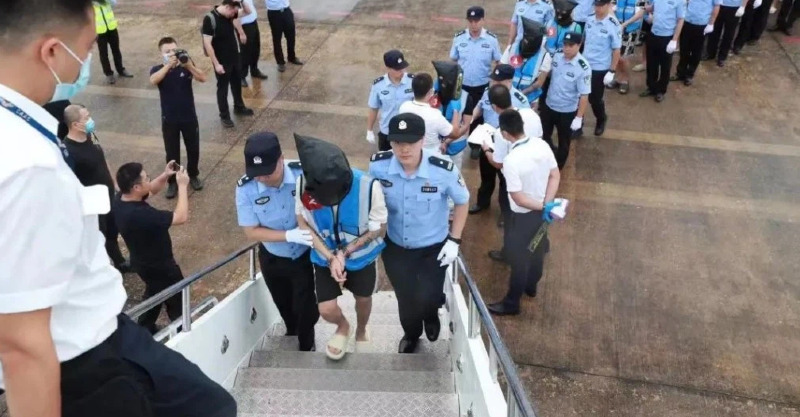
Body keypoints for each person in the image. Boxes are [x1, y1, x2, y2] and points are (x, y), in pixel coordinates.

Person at [0, 2, 235, 415]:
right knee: (212, 408)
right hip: (87, 357)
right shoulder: (27, 164)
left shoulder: (19, 127)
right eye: (87, 46)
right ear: (51, 51)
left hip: (91, 337)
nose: (88, 60)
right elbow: (21, 344)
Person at [369, 113, 470, 354]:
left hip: (432, 248)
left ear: (423, 140)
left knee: (429, 296)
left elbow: (462, 201)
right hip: (396, 246)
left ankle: (431, 315)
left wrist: (454, 240)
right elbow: (370, 198)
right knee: (405, 298)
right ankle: (411, 334)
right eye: (397, 142)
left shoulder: (443, 169)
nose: (404, 149)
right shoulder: (379, 166)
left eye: (411, 142)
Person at [293, 134, 388, 360]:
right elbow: (303, 223)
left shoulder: (369, 186)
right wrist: (330, 257)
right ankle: (343, 326)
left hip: (362, 258)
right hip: (323, 255)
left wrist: (344, 253)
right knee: (326, 309)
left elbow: (379, 229)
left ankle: (362, 330)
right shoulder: (302, 184)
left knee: (363, 299)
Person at [235, 132, 319, 352]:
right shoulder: (246, 188)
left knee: (305, 307)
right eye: (257, 174)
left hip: (303, 255)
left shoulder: (303, 173)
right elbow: (251, 231)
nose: (262, 178)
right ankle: (292, 331)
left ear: (281, 159)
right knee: (283, 304)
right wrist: (288, 235)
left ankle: (306, 344)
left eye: (267, 172)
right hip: (273, 256)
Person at [487, 110, 561, 316]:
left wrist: (542, 207)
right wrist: (547, 205)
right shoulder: (541, 144)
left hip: (522, 216)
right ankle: (531, 286)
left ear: (504, 134)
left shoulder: (511, 160)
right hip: (543, 213)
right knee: (537, 249)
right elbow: (555, 175)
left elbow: (518, 198)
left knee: (519, 260)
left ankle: (512, 303)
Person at [115, 162, 189, 335]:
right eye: (146, 178)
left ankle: (144, 329)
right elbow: (181, 217)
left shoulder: (120, 200)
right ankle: (184, 332)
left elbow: (150, 190)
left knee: (154, 294)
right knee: (178, 302)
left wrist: (165, 175)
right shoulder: (142, 215)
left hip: (142, 263)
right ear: (136, 187)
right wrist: (182, 186)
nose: (149, 179)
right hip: (162, 267)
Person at [62, 103, 130, 274]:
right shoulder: (67, 151)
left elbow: (102, 160)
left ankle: (119, 262)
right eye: (86, 118)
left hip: (108, 194)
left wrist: (114, 184)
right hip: (93, 203)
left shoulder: (89, 136)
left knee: (113, 230)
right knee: (100, 236)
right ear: (75, 124)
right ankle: (105, 269)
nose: (91, 120)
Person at [480, 85, 543, 263]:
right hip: (537, 173)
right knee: (536, 210)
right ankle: (542, 243)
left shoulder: (501, 131)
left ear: (494, 107)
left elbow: (498, 163)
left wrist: (487, 150)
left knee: (510, 217)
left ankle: (509, 252)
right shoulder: (531, 114)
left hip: (514, 179)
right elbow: (539, 136)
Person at [468, 64, 530, 216]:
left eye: (498, 81)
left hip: (507, 144)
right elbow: (480, 106)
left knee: (505, 181)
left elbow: (525, 124)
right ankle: (482, 203)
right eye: (493, 80)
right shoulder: (488, 92)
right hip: (487, 140)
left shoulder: (520, 100)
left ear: (509, 81)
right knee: (486, 176)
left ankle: (505, 212)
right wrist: (471, 118)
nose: (494, 84)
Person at [150, 36, 207, 198]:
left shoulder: (185, 65)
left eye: (174, 50)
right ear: (161, 54)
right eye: (167, 51)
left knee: (193, 148)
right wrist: (168, 65)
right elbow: (153, 80)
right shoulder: (157, 69)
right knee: (171, 152)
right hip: (169, 119)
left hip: (189, 117)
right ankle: (173, 181)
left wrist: (188, 65)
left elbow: (202, 78)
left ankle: (193, 174)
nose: (171, 54)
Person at [451, 6, 502, 159]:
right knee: (460, 113)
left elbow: (498, 62)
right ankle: (457, 140)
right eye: (471, 21)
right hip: (462, 85)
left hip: (482, 85)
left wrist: (496, 83)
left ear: (482, 20)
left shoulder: (491, 40)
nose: (473, 24)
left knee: (479, 115)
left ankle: (475, 144)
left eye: (476, 21)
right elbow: (453, 60)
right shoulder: (459, 38)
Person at [537, 32, 591, 169]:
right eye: (565, 45)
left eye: (570, 45)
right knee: (543, 135)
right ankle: (547, 158)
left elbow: (584, 95)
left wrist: (578, 117)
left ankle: (558, 166)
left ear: (579, 45)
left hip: (567, 111)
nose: (566, 48)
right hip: (549, 105)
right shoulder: (557, 56)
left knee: (564, 142)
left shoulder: (583, 67)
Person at [202, 0, 255, 128]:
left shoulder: (230, 13)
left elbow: (248, 11)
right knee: (223, 88)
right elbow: (207, 44)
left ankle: (239, 107)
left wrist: (241, 1)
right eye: (233, 12)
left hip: (234, 57)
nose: (234, 15)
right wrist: (216, 64)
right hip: (222, 60)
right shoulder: (210, 19)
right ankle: (224, 115)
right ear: (227, 7)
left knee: (236, 84)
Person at [581, 0, 622, 136]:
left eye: (601, 6)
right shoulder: (589, 19)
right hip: (585, 65)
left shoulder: (613, 24)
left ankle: (601, 118)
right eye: (596, 5)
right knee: (579, 96)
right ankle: (579, 123)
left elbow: (616, 50)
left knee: (594, 98)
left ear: (608, 5)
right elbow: (583, 39)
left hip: (600, 67)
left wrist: (612, 71)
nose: (598, 8)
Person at [398, 73, 465, 154]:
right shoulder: (435, 115)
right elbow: (455, 133)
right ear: (430, 91)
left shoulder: (404, 107)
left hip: (411, 152)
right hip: (431, 155)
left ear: (412, 89)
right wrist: (456, 111)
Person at [366, 49, 415, 151]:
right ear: (388, 68)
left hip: (408, 131)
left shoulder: (412, 81)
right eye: (397, 69)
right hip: (387, 131)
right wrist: (369, 130)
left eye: (402, 68)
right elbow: (374, 108)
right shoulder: (378, 85)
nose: (401, 71)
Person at [639, 0, 685, 101]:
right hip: (653, 33)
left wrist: (674, 40)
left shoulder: (679, 1)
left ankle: (661, 90)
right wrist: (645, 8)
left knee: (665, 66)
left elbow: (680, 20)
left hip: (667, 37)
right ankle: (651, 87)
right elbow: (653, 7)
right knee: (651, 64)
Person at [674, 0, 720, 85]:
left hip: (701, 24)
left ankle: (689, 75)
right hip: (687, 21)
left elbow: (716, 6)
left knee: (696, 51)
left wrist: (711, 23)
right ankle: (681, 72)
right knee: (684, 49)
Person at [605, 0, 645, 94]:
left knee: (624, 57)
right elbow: (610, 7)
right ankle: (619, 78)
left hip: (631, 30)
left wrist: (624, 24)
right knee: (616, 55)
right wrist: (617, 24)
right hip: (617, 28)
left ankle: (625, 80)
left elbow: (641, 12)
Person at [94, 0, 133, 84]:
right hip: (99, 32)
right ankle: (108, 74)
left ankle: (121, 70)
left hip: (112, 28)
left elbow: (114, 3)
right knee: (103, 54)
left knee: (116, 50)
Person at [705, 0, 745, 67]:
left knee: (729, 34)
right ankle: (710, 53)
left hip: (734, 7)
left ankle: (722, 57)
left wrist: (743, 6)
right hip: (719, 5)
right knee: (714, 31)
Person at [267, 0, 304, 72]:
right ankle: (280, 62)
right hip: (274, 12)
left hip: (286, 10)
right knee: (277, 38)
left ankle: (291, 57)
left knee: (291, 35)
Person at [239, 0, 269, 86]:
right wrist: (241, 32)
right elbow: (234, 17)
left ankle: (254, 70)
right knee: (245, 51)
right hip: (244, 25)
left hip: (253, 21)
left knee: (255, 48)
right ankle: (242, 76)